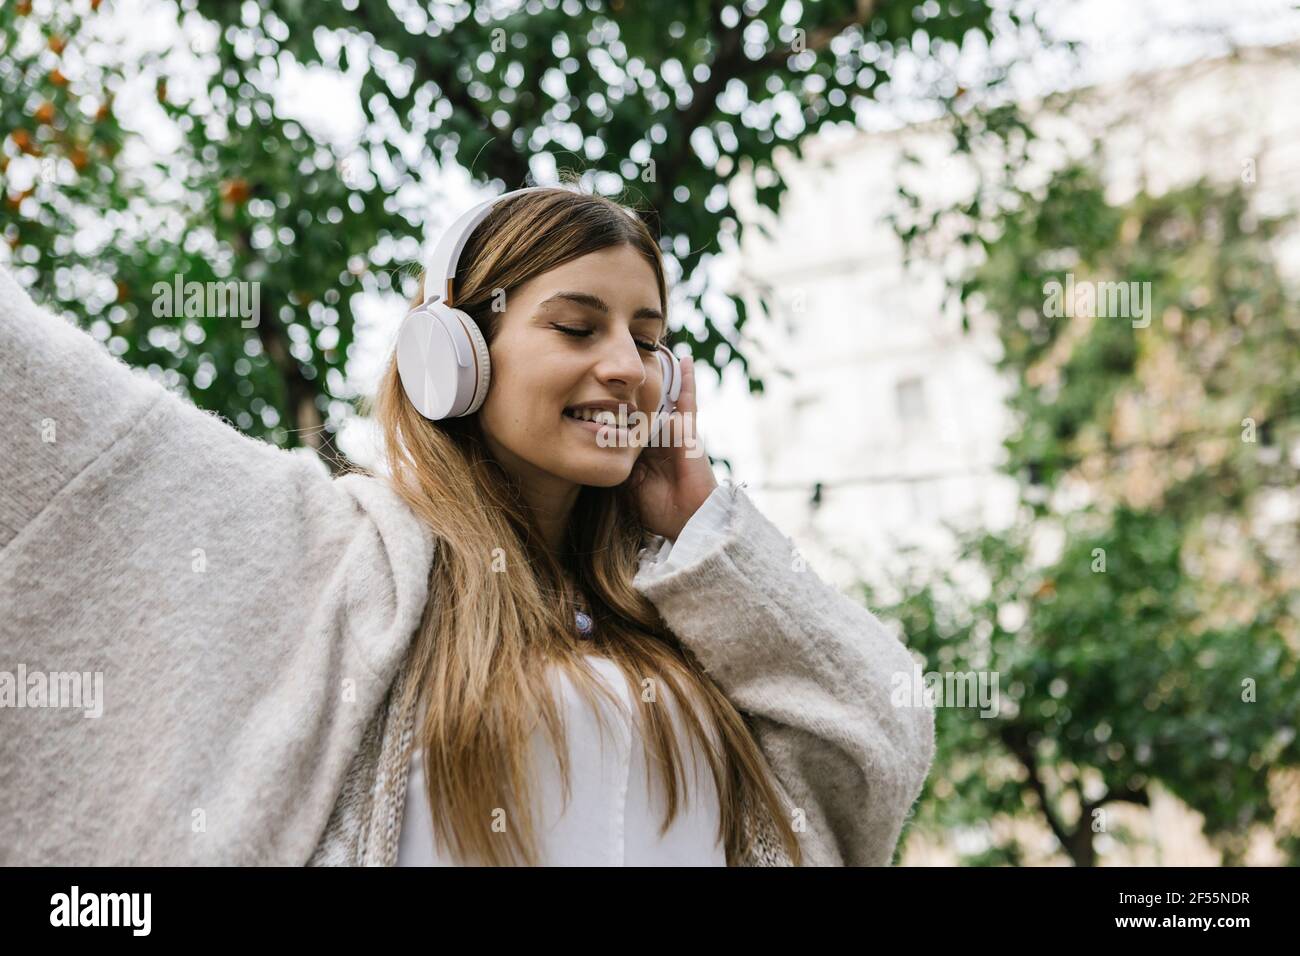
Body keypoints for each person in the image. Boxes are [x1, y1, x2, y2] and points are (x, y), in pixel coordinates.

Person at [0, 184, 936, 867]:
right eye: (578, 327)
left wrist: (705, 531)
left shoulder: (688, 610)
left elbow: (877, 738)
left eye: (649, 339)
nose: (628, 367)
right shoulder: (339, 562)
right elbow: (63, 429)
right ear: (452, 358)